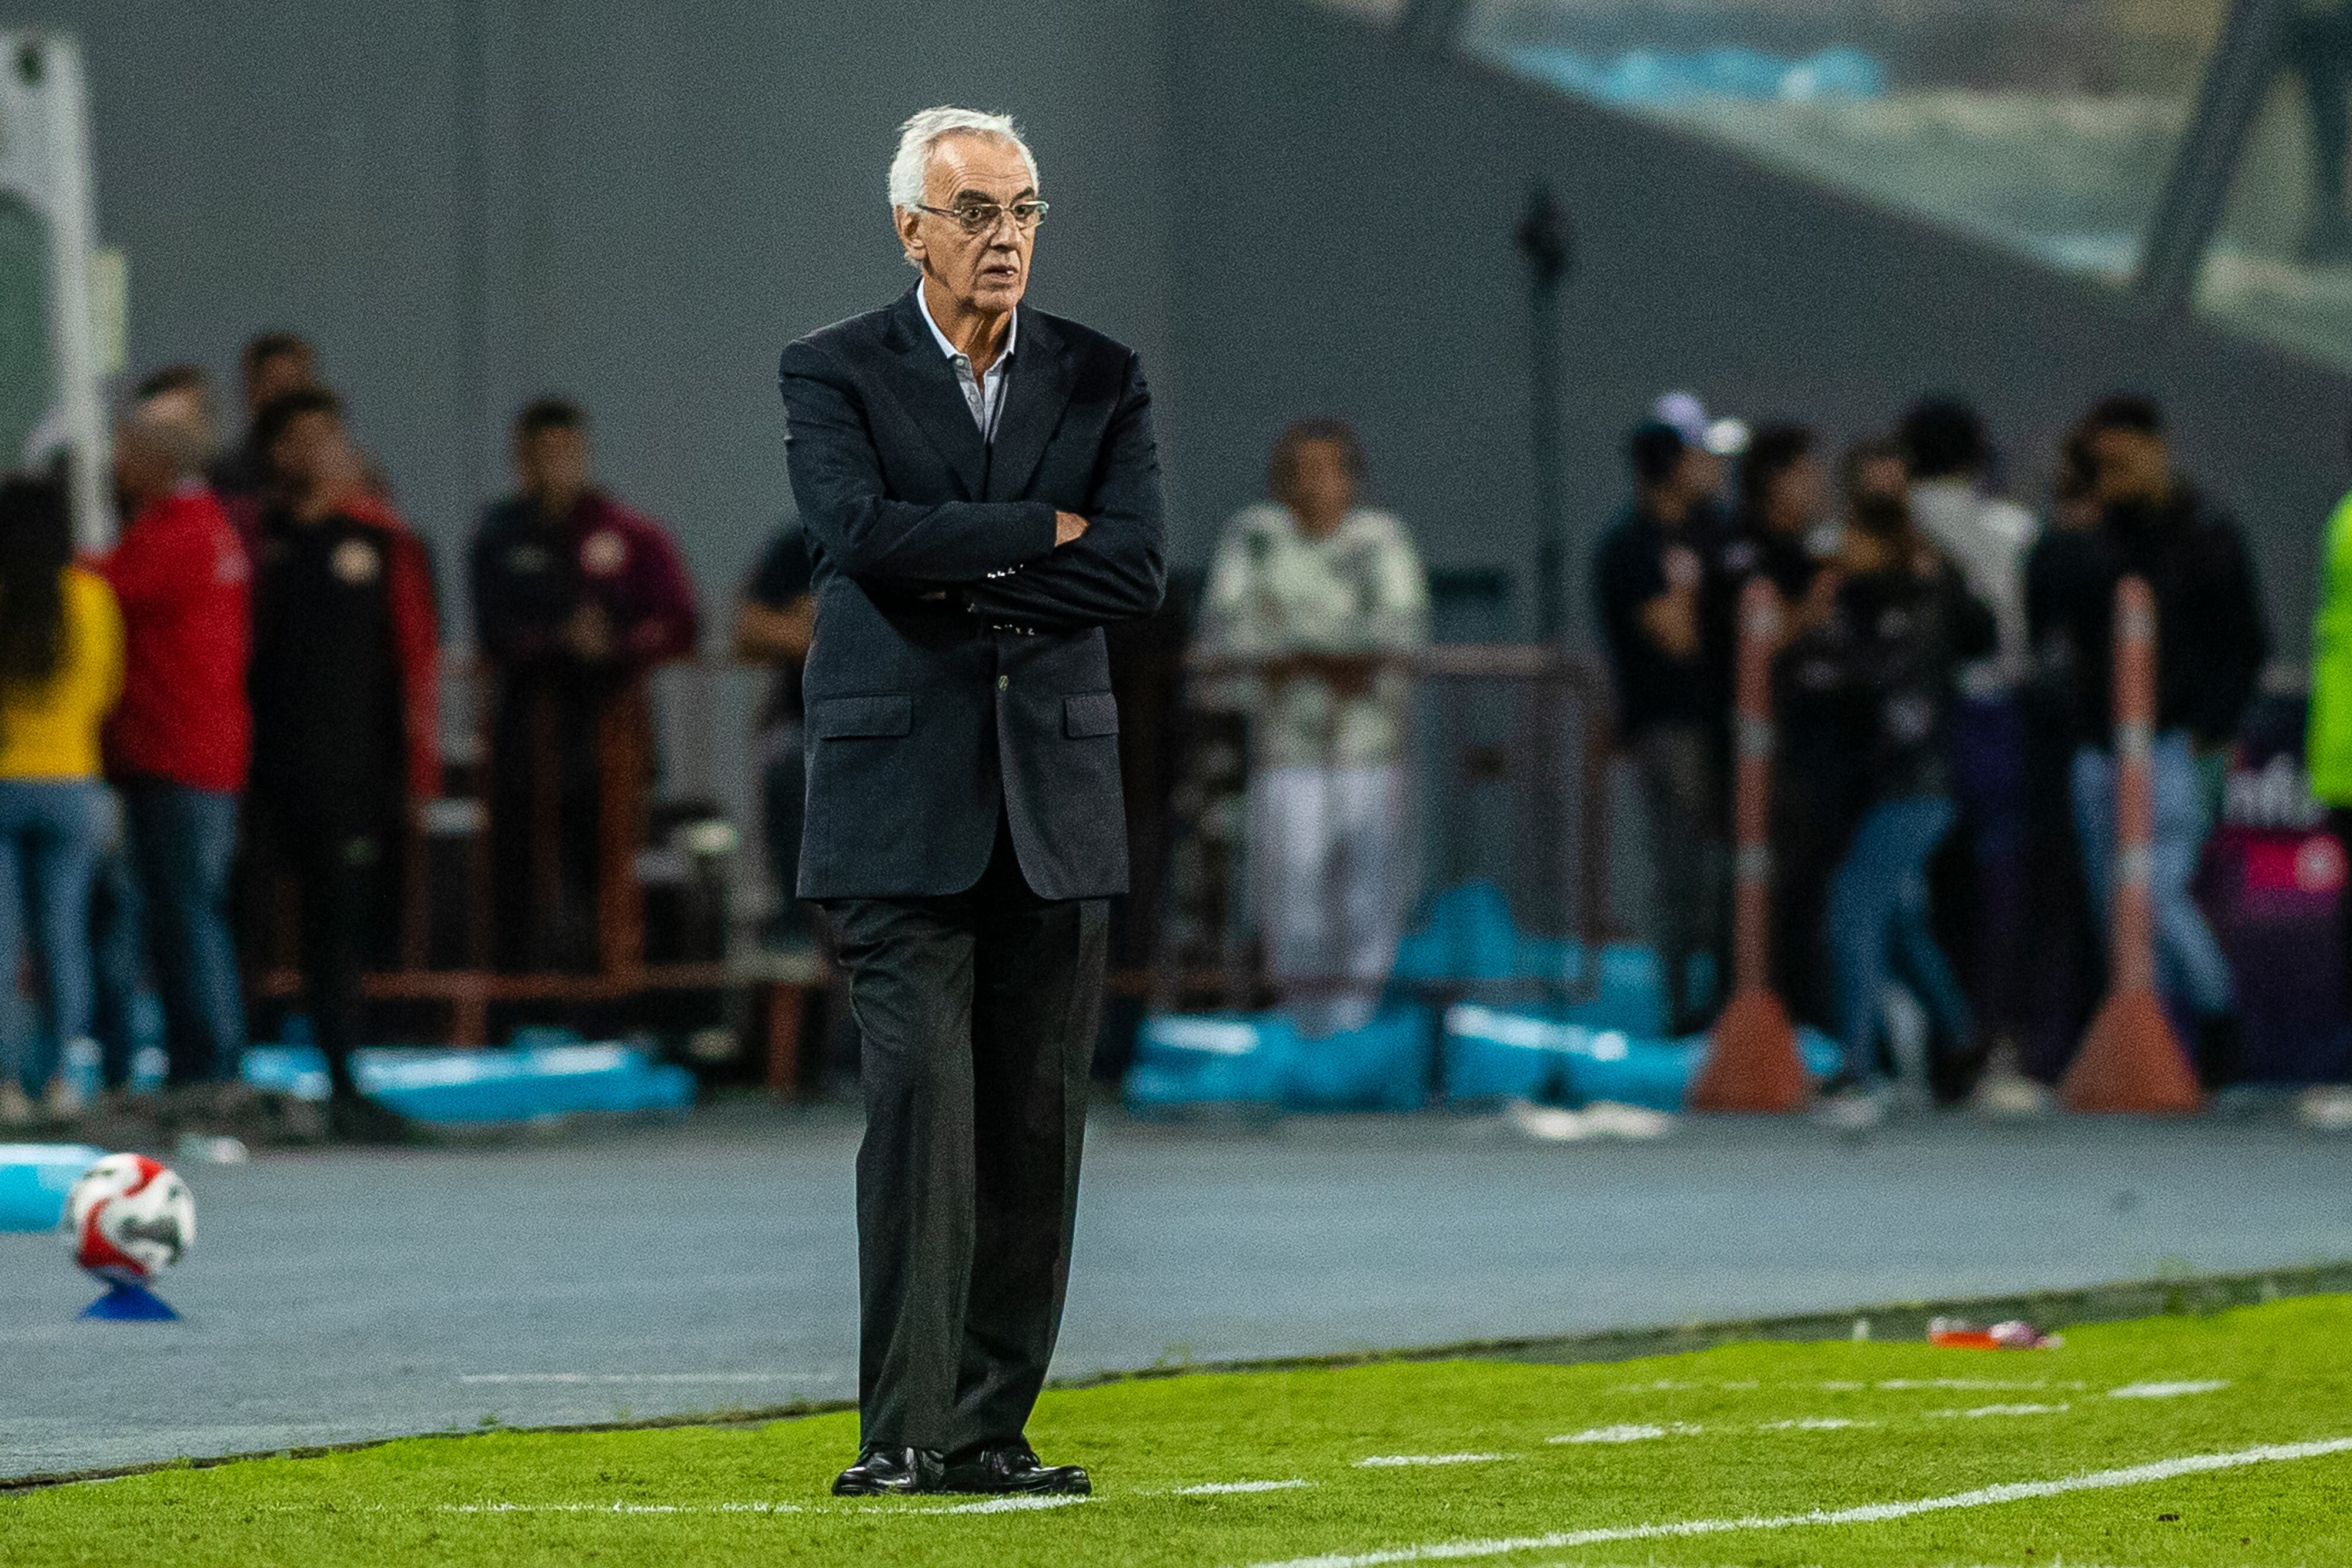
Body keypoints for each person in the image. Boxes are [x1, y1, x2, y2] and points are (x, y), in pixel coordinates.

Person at [779, 105, 1164, 1498]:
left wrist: (950, 566)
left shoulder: (1102, 376)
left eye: (1023, 209)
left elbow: (1133, 571)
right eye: (976, 212)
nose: (1005, 237)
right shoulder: (831, 369)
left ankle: (990, 1427)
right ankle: (901, 1431)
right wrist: (1035, 537)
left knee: (1035, 1129)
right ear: (912, 229)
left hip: (1055, 802)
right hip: (896, 804)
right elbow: (854, 535)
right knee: (921, 1113)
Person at [2031, 394, 2270, 1087]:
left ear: (2155, 450)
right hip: (2097, 744)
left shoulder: (2205, 531)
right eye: (2099, 464)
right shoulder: (2090, 535)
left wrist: (2209, 728)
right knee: (2114, 906)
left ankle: (2216, 1016)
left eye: (2121, 461)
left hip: (2172, 745)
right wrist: (2072, 524)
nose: (2113, 476)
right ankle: (2153, 1045)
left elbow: (2243, 642)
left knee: (2152, 894)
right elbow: (2047, 617)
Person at [244, 389, 439, 1141]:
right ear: (275, 452)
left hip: (351, 779)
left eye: (327, 435)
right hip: (258, 773)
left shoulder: (382, 545)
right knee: (245, 923)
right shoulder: (253, 543)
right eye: (299, 438)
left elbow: (413, 662)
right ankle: (232, 1079)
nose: (315, 451)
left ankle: (344, 1082)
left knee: (338, 935)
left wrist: (414, 775)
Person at [1201, 419, 1429, 1037]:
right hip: (1285, 750)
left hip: (1368, 749)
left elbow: (1396, 633)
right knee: (1291, 894)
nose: (1314, 485)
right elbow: (1234, 634)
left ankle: (1355, 1027)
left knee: (1367, 898)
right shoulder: (1255, 539)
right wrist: (1324, 656)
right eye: (1300, 472)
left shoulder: (1379, 541)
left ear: (1353, 481)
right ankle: (1305, 1027)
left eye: (1329, 471)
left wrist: (1303, 652)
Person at [1790, 441, 1995, 1125]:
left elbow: (1876, 677)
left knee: (1853, 911)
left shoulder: (1916, 593)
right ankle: (1961, 1039)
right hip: (1879, 784)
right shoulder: (1857, 589)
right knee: (1899, 924)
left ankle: (1856, 1069)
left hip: (1913, 781)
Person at [469, 397, 699, 972]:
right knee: (519, 873)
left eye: (567, 451)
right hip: (527, 733)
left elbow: (679, 620)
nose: (557, 464)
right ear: (522, 459)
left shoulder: (629, 533)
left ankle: (608, 998)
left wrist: (617, 647)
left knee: (605, 875)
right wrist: (558, 643)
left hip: (609, 732)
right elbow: (493, 629)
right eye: (543, 453)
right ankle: (518, 997)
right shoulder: (498, 536)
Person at [92, 392, 252, 1110]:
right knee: (186, 912)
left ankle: (207, 1067)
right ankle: (204, 1062)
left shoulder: (176, 533)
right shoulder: (205, 527)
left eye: (127, 454)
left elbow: (105, 587)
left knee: (185, 914)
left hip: (175, 752)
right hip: (194, 751)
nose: (117, 467)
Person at [1899, 396, 2037, 1077]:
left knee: (1905, 886)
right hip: (1991, 719)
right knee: (1993, 889)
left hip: (1912, 722)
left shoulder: (1891, 525)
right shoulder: (2013, 529)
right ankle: (1985, 1037)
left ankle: (1925, 1044)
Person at [1592, 417, 1731, 1036]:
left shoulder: (1713, 533)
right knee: (1685, 874)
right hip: (1670, 730)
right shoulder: (1632, 547)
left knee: (1726, 875)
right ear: (1671, 466)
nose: (1713, 469)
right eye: (1699, 456)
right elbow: (1678, 638)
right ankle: (1684, 1014)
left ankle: (1722, 1004)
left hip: (1721, 728)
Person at [0, 473, 123, 1125]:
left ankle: (5, 1085)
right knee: (63, 937)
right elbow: (107, 688)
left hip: (4, 780)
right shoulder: (92, 598)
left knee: (3, 942)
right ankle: (58, 1079)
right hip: (73, 783)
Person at [1709, 422, 1841, 1027]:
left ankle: (1804, 1023)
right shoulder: (1744, 554)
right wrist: (1811, 609)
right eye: (1806, 474)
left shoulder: (1806, 552)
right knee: (1762, 892)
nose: (1816, 487)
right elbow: (1758, 644)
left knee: (1809, 897)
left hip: (1815, 751)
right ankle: (1754, 1017)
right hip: (1760, 755)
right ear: (1773, 479)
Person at [733, 522, 818, 949]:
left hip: (890, 724)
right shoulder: (798, 546)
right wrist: (809, 633)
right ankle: (794, 925)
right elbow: (746, 628)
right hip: (800, 723)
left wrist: (818, 627)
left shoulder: (898, 538)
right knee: (785, 761)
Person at [209, 332, 318, 510]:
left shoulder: (339, 472)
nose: (284, 400)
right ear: (252, 391)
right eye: (273, 386)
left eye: (293, 386)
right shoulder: (225, 476)